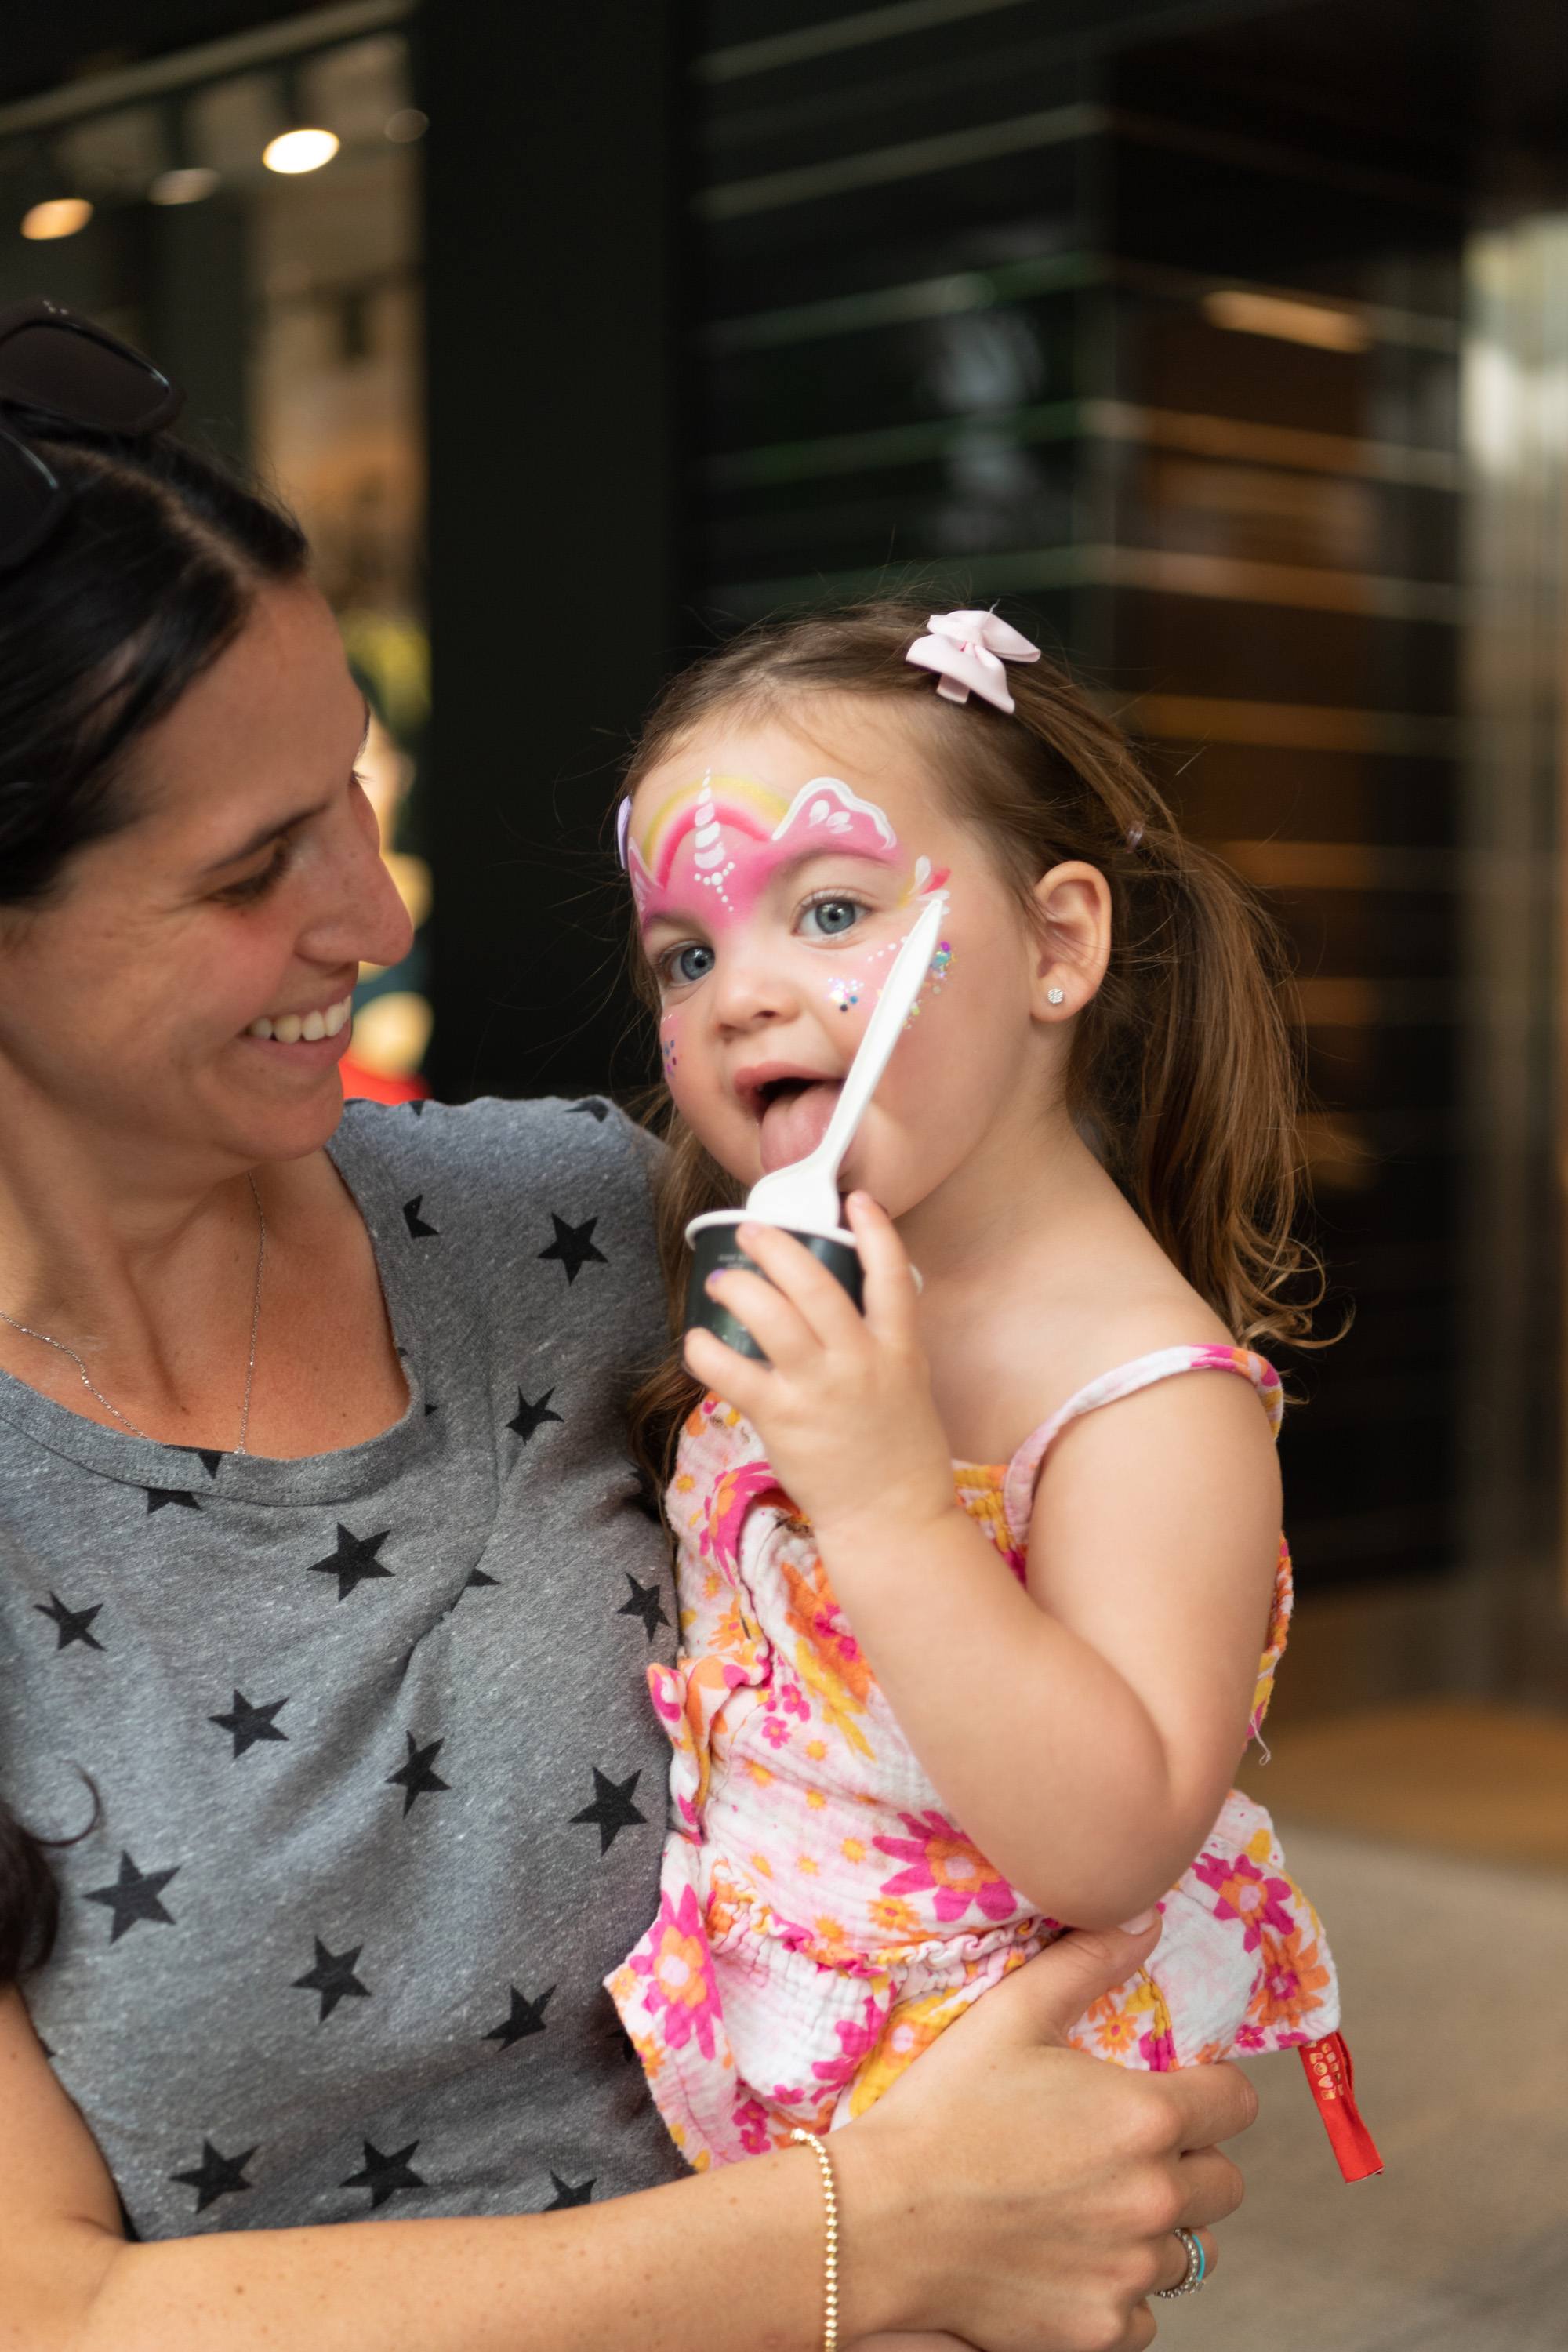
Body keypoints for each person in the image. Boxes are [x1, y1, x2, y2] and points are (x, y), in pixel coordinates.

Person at [0, 300, 1254, 2352]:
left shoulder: (613, 1226)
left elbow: (1077, 1598)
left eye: (353, 793)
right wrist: (889, 2231)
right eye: (254, 867)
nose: (382, 920)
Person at [608, 604, 1381, 2247]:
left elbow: (1106, 1840)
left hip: (985, 2127)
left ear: (1057, 946)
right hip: (752, 2073)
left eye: (826, 909)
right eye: (687, 951)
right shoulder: (792, 1286)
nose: (742, 990)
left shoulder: (1145, 1401)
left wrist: (888, 1504)